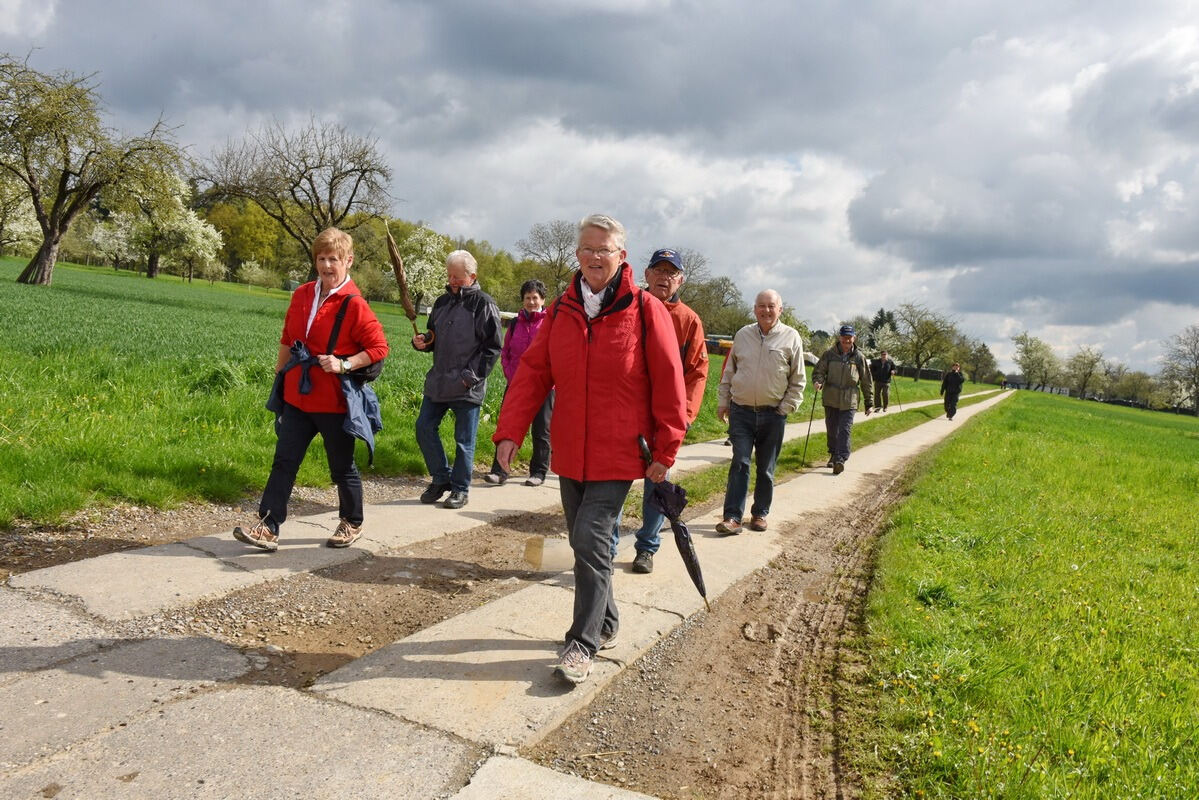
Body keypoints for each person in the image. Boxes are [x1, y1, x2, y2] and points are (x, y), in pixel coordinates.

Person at [493, 214, 686, 685]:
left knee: (590, 539)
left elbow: (669, 382)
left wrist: (667, 447)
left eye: (605, 249)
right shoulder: (561, 309)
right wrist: (510, 431)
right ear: (576, 255)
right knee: (588, 547)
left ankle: (582, 643)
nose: (595, 257)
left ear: (622, 257)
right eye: (587, 249)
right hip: (570, 453)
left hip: (619, 453)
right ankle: (608, 619)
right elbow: (535, 372)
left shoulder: (645, 310)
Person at [233, 227, 389, 552]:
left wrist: (344, 364)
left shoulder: (355, 304)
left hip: (333, 402)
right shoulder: (302, 294)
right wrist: (279, 379)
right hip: (298, 398)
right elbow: (288, 339)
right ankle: (268, 527)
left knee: (341, 467)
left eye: (334, 259)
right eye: (321, 258)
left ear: (348, 261)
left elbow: (378, 348)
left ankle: (352, 521)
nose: (327, 265)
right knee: (284, 461)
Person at [610, 248, 709, 575]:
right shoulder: (627, 307)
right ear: (647, 274)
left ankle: (646, 548)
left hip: (663, 417)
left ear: (680, 279)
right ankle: (607, 546)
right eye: (659, 270)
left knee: (657, 482)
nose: (664, 277)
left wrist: (685, 416)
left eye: (671, 272)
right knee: (615, 481)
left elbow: (696, 372)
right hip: (626, 412)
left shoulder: (688, 320)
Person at [412, 250, 502, 510]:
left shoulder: (484, 304)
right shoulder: (441, 302)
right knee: (424, 428)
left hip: (466, 386)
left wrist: (469, 378)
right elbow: (433, 336)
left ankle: (461, 489)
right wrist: (423, 342)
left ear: (472, 276)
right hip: (438, 381)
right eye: (449, 275)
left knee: (464, 441)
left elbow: (493, 347)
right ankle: (441, 478)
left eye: (457, 277)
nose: (451, 280)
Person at [714, 290, 805, 535]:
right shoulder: (743, 335)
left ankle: (759, 514)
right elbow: (729, 373)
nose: (766, 310)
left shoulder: (791, 337)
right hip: (741, 412)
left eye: (771, 306)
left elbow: (798, 380)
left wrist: (785, 408)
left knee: (766, 468)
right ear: (754, 309)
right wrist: (724, 402)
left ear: (780, 310)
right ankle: (732, 517)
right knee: (740, 462)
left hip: (773, 414)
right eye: (761, 306)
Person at [484, 279, 553, 487]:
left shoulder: (550, 323)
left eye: (535, 298)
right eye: (527, 298)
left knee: (541, 430)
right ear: (522, 300)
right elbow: (506, 352)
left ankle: (538, 472)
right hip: (516, 384)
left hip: (544, 387)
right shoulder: (515, 323)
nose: (531, 302)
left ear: (542, 299)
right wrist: (509, 373)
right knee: (507, 427)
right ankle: (499, 471)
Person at [812, 324, 873, 475]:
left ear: (854, 338)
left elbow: (866, 380)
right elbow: (819, 371)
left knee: (845, 430)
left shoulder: (859, 357)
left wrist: (869, 402)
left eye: (849, 337)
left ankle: (840, 459)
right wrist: (818, 381)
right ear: (840, 337)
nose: (847, 340)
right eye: (844, 337)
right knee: (832, 429)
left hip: (850, 399)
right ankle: (833, 453)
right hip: (831, 397)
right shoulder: (829, 354)